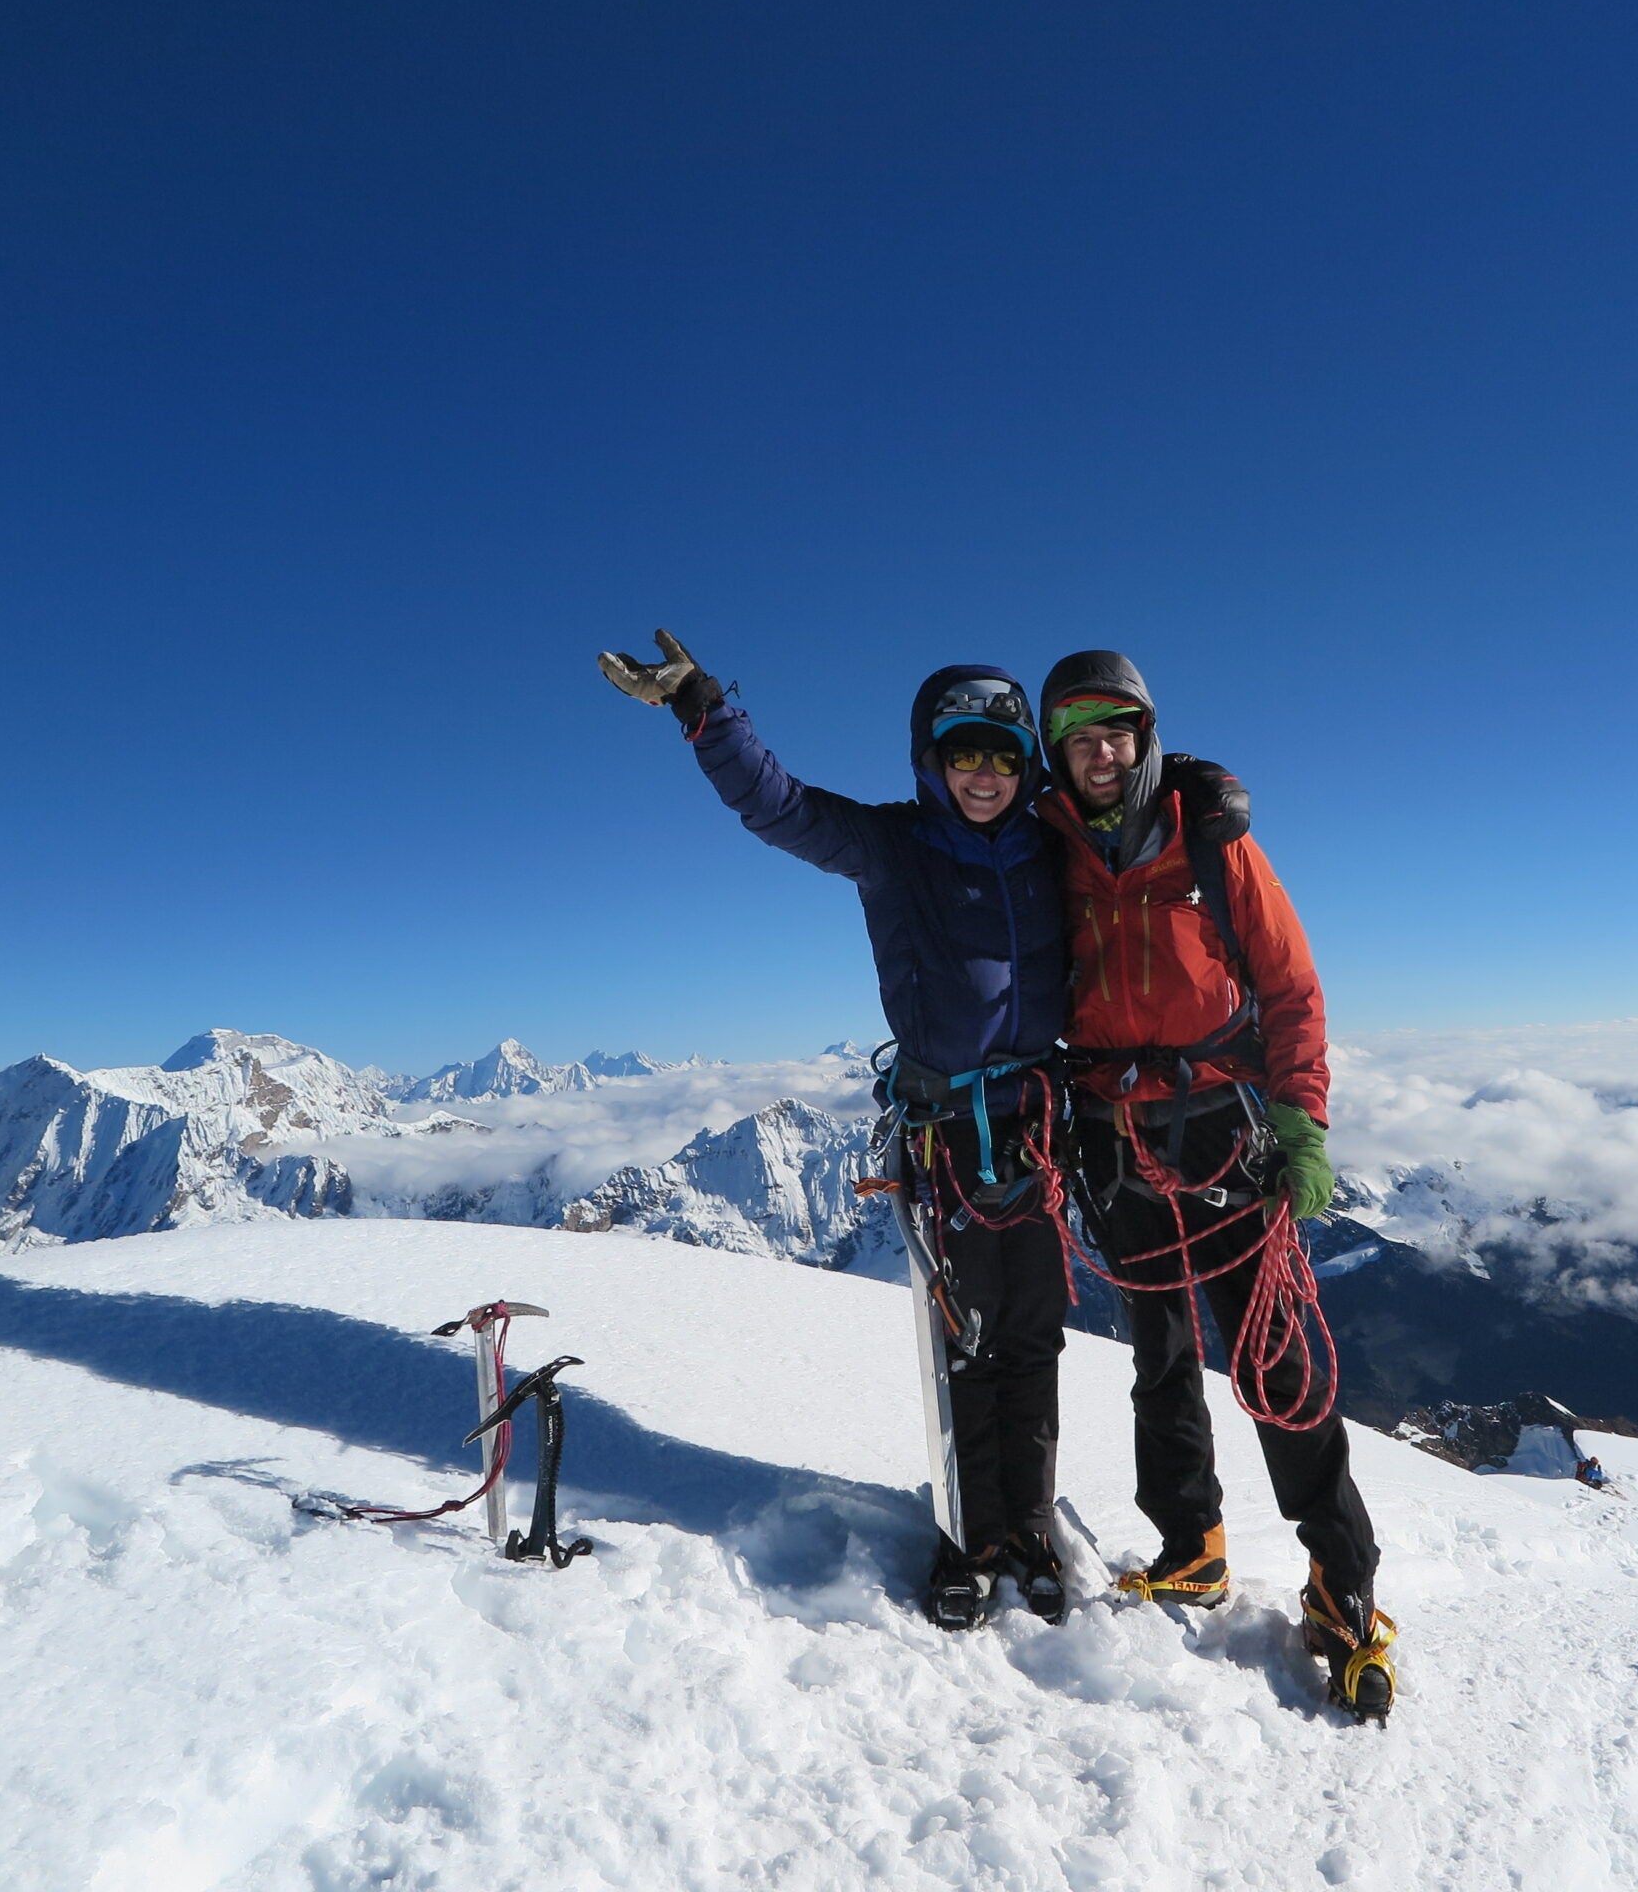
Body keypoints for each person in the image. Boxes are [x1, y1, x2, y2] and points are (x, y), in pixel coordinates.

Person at [594, 631, 1081, 1631]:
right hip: (946, 1130)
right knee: (963, 1339)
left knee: (1029, 1335)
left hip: (1033, 1124)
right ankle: (965, 1533)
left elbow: (1130, 805)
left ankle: (1026, 1524)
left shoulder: (1052, 845)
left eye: (1000, 754)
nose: (983, 774)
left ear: (1023, 764)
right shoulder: (892, 846)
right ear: (930, 761)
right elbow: (777, 805)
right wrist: (704, 708)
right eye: (963, 754)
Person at [1035, 647, 1396, 1723]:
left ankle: (1347, 1584)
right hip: (1116, 1133)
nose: (1098, 753)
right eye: (1078, 738)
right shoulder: (1046, 845)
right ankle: (1189, 1542)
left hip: (1222, 1131)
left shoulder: (1210, 837)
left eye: (1115, 733)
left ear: (1143, 739)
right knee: (1159, 1353)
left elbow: (1287, 984)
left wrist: (1303, 1123)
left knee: (1273, 1361)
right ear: (1057, 751)